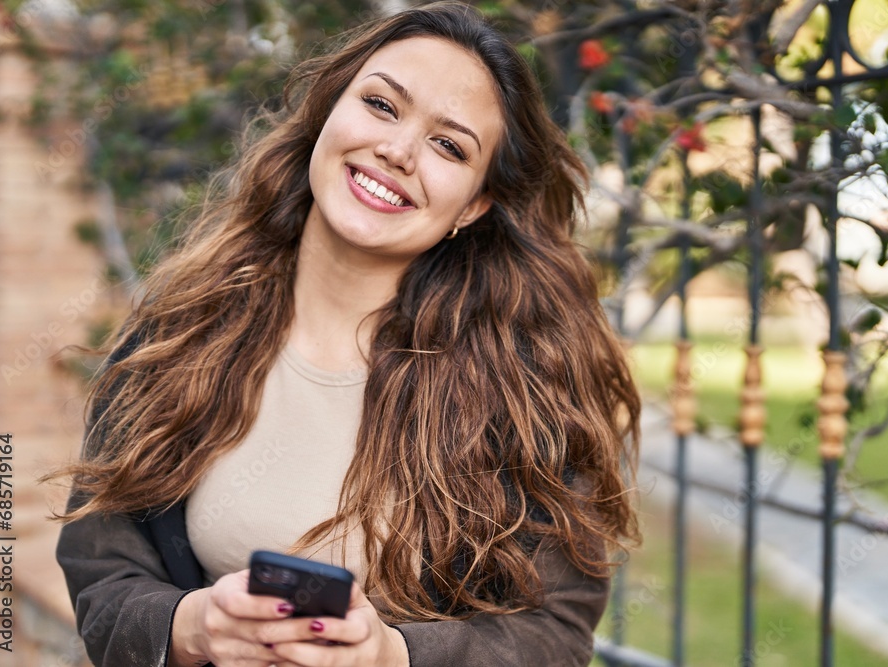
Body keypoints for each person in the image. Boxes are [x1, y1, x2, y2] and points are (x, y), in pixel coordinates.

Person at [52, 2, 642, 666]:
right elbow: (99, 566)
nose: (396, 150)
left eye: (448, 145)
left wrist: (392, 655)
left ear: (475, 204)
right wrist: (190, 624)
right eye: (382, 106)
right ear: (327, 112)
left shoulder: (529, 391)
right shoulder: (179, 329)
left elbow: (553, 636)